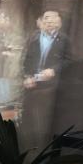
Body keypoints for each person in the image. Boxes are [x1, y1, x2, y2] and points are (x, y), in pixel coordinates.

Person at [20, 10, 72, 150]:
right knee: (27, 116)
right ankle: (25, 146)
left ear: (60, 22)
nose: (49, 21)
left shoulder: (64, 40)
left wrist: (54, 70)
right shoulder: (34, 37)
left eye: (53, 18)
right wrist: (27, 76)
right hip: (31, 84)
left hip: (50, 87)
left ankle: (43, 147)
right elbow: (26, 60)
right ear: (42, 21)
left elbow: (69, 61)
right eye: (47, 18)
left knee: (45, 118)